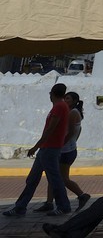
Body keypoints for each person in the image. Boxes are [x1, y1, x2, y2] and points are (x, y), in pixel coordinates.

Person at [3, 82, 71, 217]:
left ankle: (63, 206)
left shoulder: (59, 107)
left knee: (54, 178)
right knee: (33, 178)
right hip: (47, 148)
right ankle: (20, 206)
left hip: (49, 148)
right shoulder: (61, 106)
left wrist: (36, 146)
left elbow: (50, 129)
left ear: (52, 94)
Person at [31, 91, 88, 212]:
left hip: (66, 151)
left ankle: (82, 195)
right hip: (66, 150)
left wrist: (60, 144)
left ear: (73, 101)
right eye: (64, 98)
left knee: (61, 178)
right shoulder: (72, 112)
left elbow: (71, 132)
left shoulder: (72, 113)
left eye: (67, 98)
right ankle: (49, 202)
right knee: (52, 176)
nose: (65, 100)